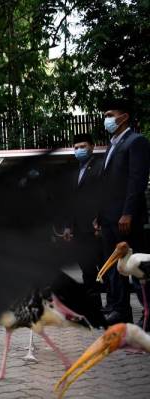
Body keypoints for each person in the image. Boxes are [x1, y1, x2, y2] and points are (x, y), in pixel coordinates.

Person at [97, 100, 150, 326]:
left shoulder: (135, 141)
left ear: (124, 116)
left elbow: (136, 180)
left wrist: (128, 212)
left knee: (137, 268)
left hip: (126, 218)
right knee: (114, 267)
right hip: (109, 218)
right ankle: (120, 310)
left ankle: (148, 313)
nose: (106, 119)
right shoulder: (112, 145)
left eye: (110, 114)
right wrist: (98, 217)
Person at [61, 134, 104, 312]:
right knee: (86, 268)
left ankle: (115, 304)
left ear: (92, 147)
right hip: (78, 228)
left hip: (95, 227)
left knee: (104, 266)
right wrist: (67, 227)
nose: (79, 150)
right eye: (76, 147)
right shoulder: (75, 172)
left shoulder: (100, 167)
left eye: (83, 146)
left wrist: (100, 220)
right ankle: (94, 304)